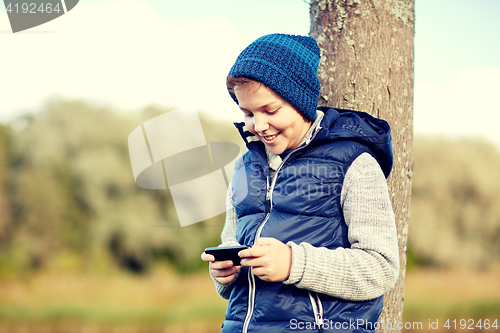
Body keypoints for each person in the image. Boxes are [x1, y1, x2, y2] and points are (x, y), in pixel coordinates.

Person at [201, 33, 399, 333]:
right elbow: (233, 252)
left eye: (270, 110)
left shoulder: (354, 164)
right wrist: (225, 273)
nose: (259, 125)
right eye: (247, 113)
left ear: (300, 100)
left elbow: (381, 268)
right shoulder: (244, 167)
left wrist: (294, 263)